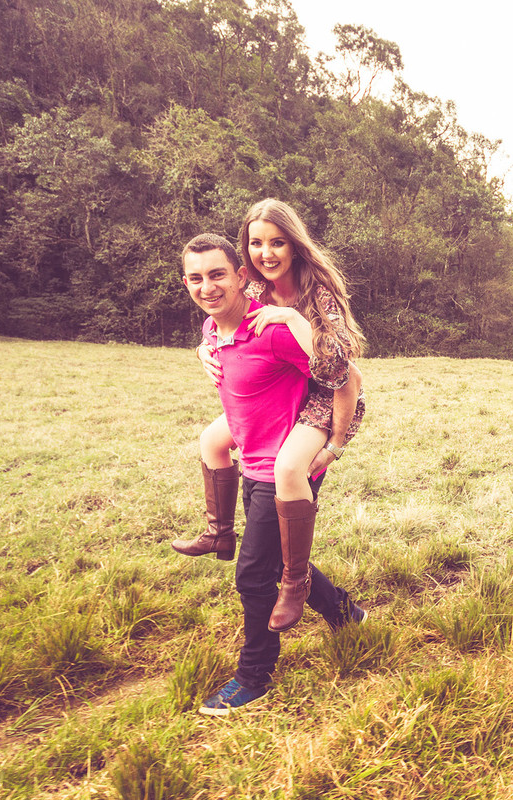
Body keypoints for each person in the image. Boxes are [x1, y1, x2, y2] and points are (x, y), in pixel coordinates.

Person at [176, 232, 366, 715]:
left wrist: (337, 443)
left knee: (254, 572)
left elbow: (343, 376)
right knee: (274, 552)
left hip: (306, 434)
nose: (208, 286)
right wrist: (204, 346)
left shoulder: (299, 308)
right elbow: (218, 324)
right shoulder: (237, 313)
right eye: (196, 278)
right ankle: (345, 612)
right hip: (258, 440)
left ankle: (254, 675)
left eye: (218, 274)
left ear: (240, 277)